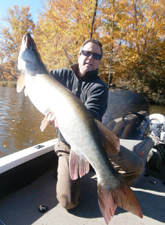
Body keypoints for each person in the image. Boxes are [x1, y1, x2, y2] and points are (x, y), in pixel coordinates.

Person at [46, 39, 144, 210]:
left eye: (96, 55)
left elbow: (90, 116)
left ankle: (112, 188)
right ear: (79, 54)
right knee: (68, 202)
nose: (90, 58)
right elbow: (40, 87)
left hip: (94, 140)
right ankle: (68, 170)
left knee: (136, 166)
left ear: (99, 61)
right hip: (67, 142)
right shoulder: (60, 75)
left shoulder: (99, 87)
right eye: (86, 53)